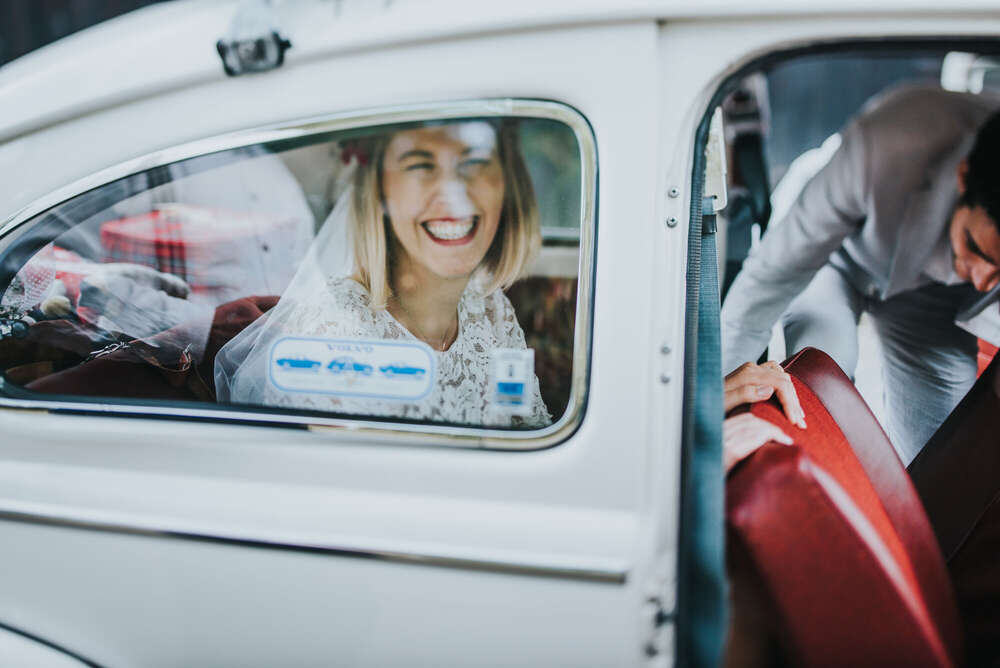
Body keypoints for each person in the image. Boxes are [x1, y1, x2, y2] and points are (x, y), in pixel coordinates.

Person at [721, 84, 1000, 464]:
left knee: (942, 452)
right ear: (963, 177)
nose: (983, 282)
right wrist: (717, 401)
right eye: (976, 247)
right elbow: (771, 279)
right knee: (821, 378)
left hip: (935, 294)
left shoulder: (977, 273)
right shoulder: (891, 139)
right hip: (831, 255)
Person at [215, 120, 551, 427]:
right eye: (421, 166)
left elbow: (528, 430)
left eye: (474, 162)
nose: (453, 195)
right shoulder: (333, 335)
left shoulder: (493, 311)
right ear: (379, 194)